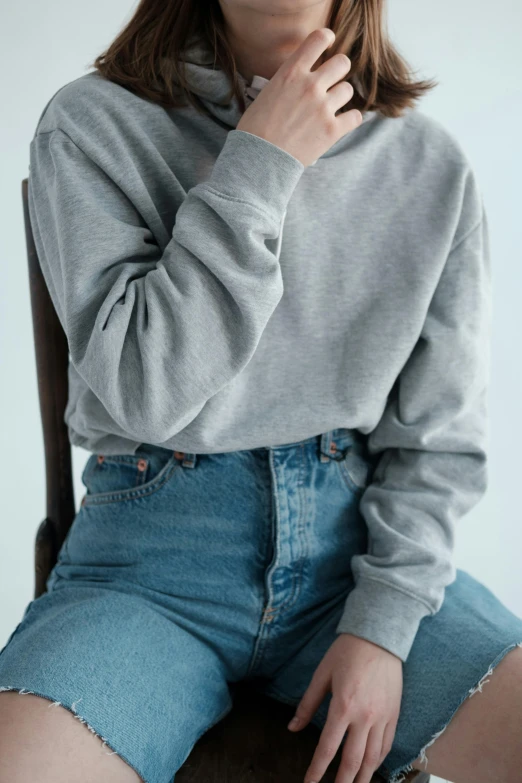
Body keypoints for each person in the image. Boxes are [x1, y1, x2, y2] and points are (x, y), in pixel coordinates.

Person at [1, 1, 522, 782]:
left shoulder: (429, 165)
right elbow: (147, 389)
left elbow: (438, 439)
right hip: (147, 571)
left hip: (358, 563)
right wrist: (262, 160)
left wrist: (379, 631)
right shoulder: (92, 124)